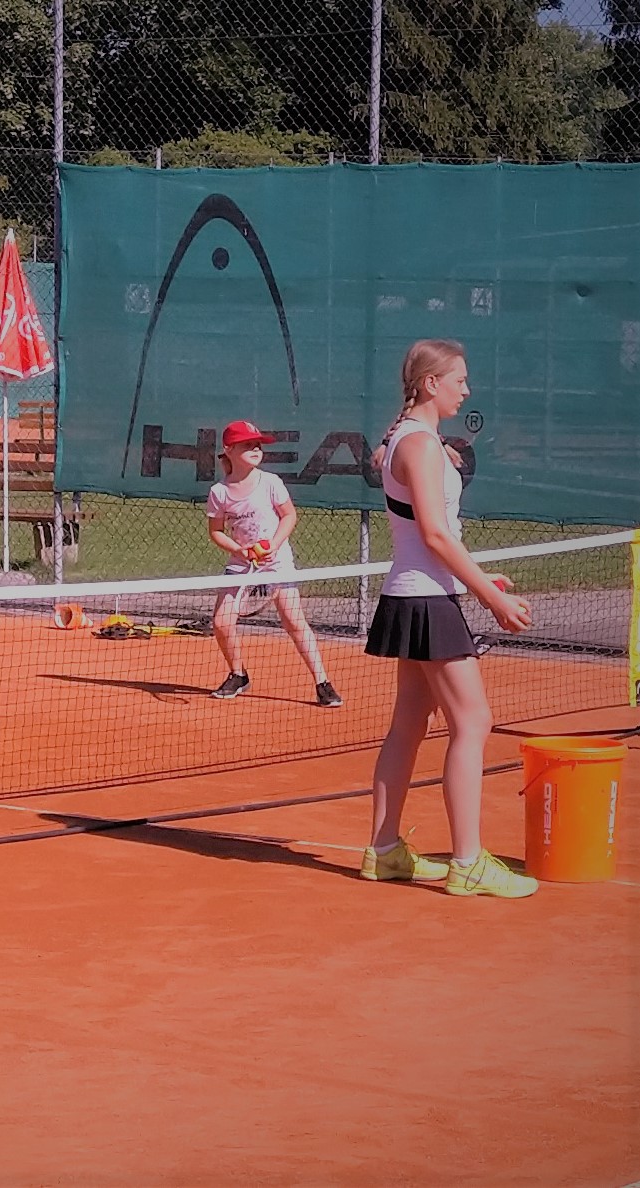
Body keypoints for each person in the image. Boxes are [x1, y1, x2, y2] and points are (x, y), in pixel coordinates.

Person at [361, 339, 537, 897]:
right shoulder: (418, 444)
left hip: (419, 594)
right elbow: (435, 535)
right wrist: (490, 597)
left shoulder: (414, 440)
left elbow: (432, 536)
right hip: (426, 601)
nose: (467, 389)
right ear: (431, 383)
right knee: (473, 722)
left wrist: (475, 578)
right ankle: (468, 862)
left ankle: (384, 852)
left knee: (409, 725)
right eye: (459, 380)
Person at [205, 420, 343, 708]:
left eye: (258, 445)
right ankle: (238, 674)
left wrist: (274, 545)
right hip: (241, 566)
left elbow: (289, 515)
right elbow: (216, 531)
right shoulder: (219, 492)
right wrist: (239, 550)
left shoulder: (270, 483)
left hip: (277, 563)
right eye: (247, 445)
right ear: (229, 450)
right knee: (221, 622)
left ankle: (323, 683)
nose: (255, 449)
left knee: (294, 621)